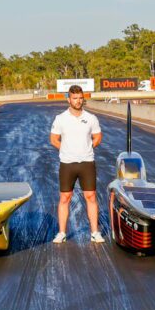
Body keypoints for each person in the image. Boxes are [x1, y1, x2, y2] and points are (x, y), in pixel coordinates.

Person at [49, 85, 103, 243]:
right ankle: (61, 233)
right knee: (65, 197)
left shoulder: (91, 118)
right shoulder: (60, 118)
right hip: (67, 163)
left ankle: (95, 233)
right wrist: (66, 149)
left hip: (87, 162)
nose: (78, 101)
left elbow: (98, 137)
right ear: (68, 99)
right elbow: (53, 139)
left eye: (80, 98)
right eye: (75, 98)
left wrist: (88, 147)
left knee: (91, 196)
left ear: (83, 99)